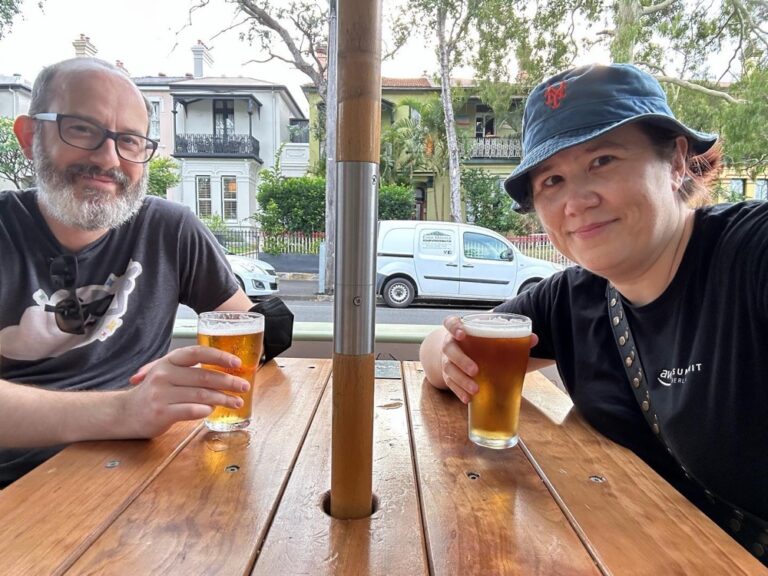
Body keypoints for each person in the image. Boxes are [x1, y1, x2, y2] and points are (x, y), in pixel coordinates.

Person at [420, 63, 767, 564]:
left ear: (675, 160)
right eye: (552, 180)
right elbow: (441, 344)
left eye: (602, 160)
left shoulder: (749, 253)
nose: (576, 202)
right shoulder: (571, 296)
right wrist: (448, 354)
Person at [0, 57, 261, 488]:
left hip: (135, 473)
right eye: (82, 129)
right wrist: (128, 410)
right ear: (30, 137)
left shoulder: (168, 229)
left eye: (130, 141)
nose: (108, 158)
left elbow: (246, 324)